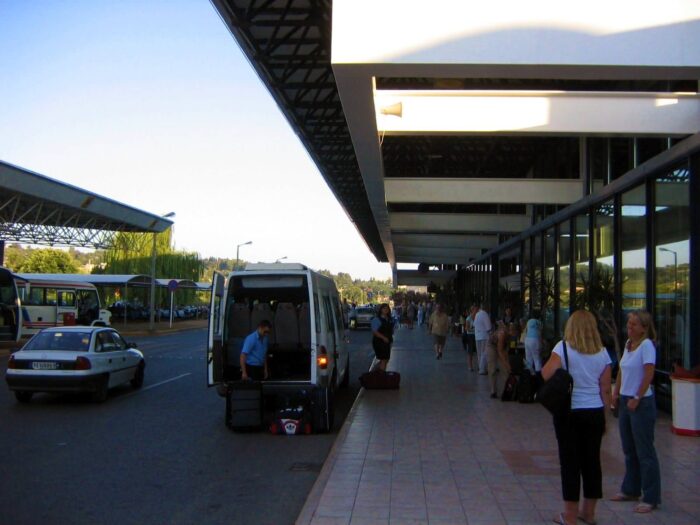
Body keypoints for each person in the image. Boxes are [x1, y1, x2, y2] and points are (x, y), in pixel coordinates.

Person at [541, 310, 612, 525]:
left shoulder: (562, 349)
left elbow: (545, 373)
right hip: (594, 413)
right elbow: (606, 389)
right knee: (592, 462)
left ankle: (570, 516)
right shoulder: (603, 354)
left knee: (570, 463)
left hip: (569, 413)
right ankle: (588, 513)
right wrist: (605, 418)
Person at [610, 310, 661, 514]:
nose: (629, 328)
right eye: (628, 324)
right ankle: (630, 488)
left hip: (640, 402)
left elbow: (649, 374)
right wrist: (616, 393)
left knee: (644, 450)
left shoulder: (647, 346)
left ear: (644, 328)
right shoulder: (628, 345)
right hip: (624, 400)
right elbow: (622, 370)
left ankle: (651, 496)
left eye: (634, 325)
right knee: (629, 448)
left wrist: (637, 397)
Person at [486, 321, 507, 398]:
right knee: (492, 368)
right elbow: (500, 351)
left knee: (504, 369)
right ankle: (493, 391)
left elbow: (504, 350)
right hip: (491, 347)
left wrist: (506, 364)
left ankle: (507, 388)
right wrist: (506, 363)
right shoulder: (502, 334)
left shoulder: (510, 335)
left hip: (500, 346)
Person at [371, 303, 393, 371]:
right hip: (379, 342)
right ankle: (381, 377)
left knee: (386, 359)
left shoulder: (388, 319)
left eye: (387, 308)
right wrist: (384, 338)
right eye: (384, 308)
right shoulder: (376, 319)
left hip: (387, 342)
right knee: (383, 359)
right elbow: (375, 332)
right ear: (380, 310)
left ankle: (373, 372)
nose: (386, 310)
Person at [473, 304, 492, 374]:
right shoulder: (485, 314)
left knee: (479, 353)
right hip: (484, 336)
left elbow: (474, 325)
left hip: (477, 336)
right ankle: (483, 369)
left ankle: (480, 367)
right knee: (484, 353)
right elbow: (488, 327)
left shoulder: (477, 314)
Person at [463, 305, 477, 371]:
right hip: (470, 336)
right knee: (470, 352)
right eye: (475, 310)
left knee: (477, 351)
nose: (476, 311)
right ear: (472, 311)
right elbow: (467, 328)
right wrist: (474, 329)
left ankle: (479, 366)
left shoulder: (477, 317)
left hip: (477, 335)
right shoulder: (468, 318)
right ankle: (470, 366)